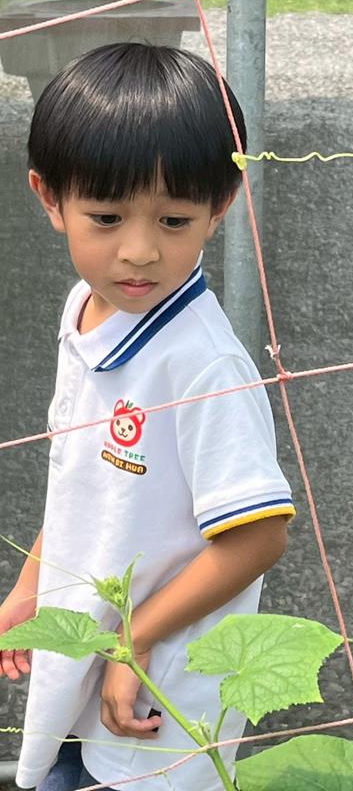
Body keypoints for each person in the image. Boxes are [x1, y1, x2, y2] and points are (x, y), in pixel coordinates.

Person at [0, 43, 295, 791]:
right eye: (106, 217)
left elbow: (259, 535)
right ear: (48, 198)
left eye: (173, 220)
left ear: (221, 206)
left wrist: (133, 644)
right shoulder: (85, 310)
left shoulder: (202, 365)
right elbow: (83, 483)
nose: (139, 252)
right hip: (86, 660)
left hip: (157, 690)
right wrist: (30, 590)